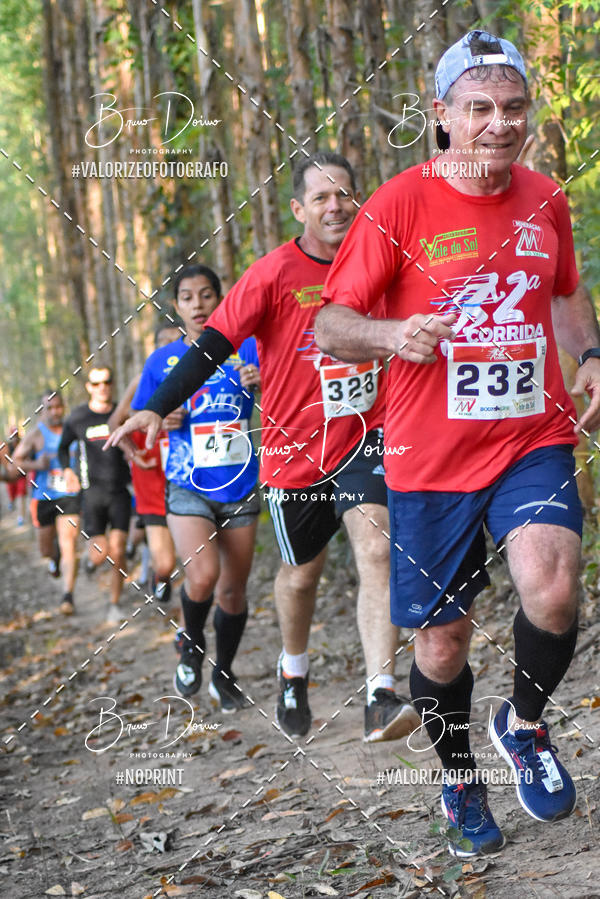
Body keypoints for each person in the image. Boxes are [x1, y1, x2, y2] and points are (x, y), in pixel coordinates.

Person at [315, 30, 600, 856]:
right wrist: (391, 333)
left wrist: (590, 356)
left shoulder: (546, 198)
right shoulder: (399, 204)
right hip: (430, 455)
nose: (498, 125)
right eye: (478, 109)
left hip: (529, 436)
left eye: (512, 108)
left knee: (552, 585)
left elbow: (566, 295)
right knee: (443, 642)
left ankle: (526, 722)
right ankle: (459, 777)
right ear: (442, 116)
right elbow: (332, 322)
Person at [106, 153, 419, 743]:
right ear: (299, 210)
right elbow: (212, 346)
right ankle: (292, 669)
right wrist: (154, 404)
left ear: (358, 202)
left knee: (375, 547)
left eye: (344, 195)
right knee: (301, 577)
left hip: (363, 437)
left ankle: (380, 693)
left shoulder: (384, 262)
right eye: (320, 198)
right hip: (292, 450)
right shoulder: (272, 273)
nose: (335, 206)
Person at [124, 265, 261, 712]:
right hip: (187, 483)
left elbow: (286, 396)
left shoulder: (250, 347)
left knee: (232, 592)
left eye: (206, 295)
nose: (198, 305)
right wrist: (163, 416)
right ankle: (190, 644)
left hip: (239, 481)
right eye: (187, 297)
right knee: (202, 576)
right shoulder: (162, 360)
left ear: (221, 300)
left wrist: (262, 383)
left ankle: (224, 673)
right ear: (176, 306)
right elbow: (139, 420)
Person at [108, 323, 182, 602]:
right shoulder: (142, 379)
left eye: (175, 341)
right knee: (166, 563)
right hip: (151, 478)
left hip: (188, 476)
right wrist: (132, 453)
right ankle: (158, 575)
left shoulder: (200, 375)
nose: (169, 346)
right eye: (163, 341)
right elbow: (115, 423)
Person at [58, 366, 132, 623]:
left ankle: (114, 604)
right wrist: (68, 469)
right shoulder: (77, 417)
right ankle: (93, 563)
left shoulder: (121, 413)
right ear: (89, 387)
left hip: (120, 491)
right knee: (100, 555)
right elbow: (63, 448)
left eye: (107, 382)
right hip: (92, 494)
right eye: (96, 383)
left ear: (111, 385)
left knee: (119, 550)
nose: (102, 387)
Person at [13, 391, 81, 613]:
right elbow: (16, 462)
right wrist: (36, 465)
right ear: (42, 411)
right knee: (45, 549)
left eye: (58, 407)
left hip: (69, 495)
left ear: (64, 407)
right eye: (49, 408)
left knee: (69, 543)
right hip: (43, 498)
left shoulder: (73, 430)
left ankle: (67, 597)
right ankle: (54, 558)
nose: (54, 412)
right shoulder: (35, 435)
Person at [4, 430, 28, 526]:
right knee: (12, 495)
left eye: (16, 435)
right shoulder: (7, 447)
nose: (15, 437)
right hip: (11, 476)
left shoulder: (24, 444)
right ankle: (11, 502)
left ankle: (20, 517)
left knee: (21, 495)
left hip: (21, 475)